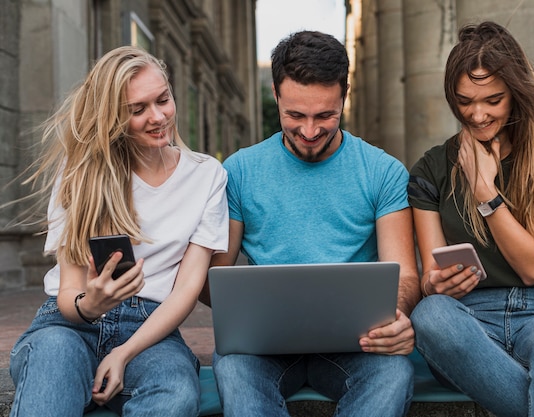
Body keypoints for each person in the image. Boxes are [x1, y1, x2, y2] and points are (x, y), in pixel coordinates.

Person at [199, 30, 421, 417]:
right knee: (233, 368)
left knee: (393, 374)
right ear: (275, 94)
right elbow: (214, 281)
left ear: (345, 94)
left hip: (357, 345)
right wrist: (237, 306)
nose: (309, 131)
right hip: (262, 347)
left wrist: (397, 316)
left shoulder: (382, 171)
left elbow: (405, 277)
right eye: (295, 115)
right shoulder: (239, 170)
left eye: (325, 115)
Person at [9, 46, 229, 416]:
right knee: (51, 368)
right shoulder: (80, 172)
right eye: (137, 110)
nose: (158, 116)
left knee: (175, 393)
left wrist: (123, 353)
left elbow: (187, 289)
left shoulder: (207, 176)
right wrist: (89, 305)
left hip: (151, 330)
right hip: (69, 326)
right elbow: (69, 293)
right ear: (112, 116)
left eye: (163, 100)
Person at [407, 21, 534, 417]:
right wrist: (435, 282)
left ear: (514, 93)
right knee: (430, 315)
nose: (477, 114)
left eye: (493, 100)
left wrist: (487, 195)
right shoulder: (431, 169)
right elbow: (430, 274)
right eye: (464, 101)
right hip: (464, 319)